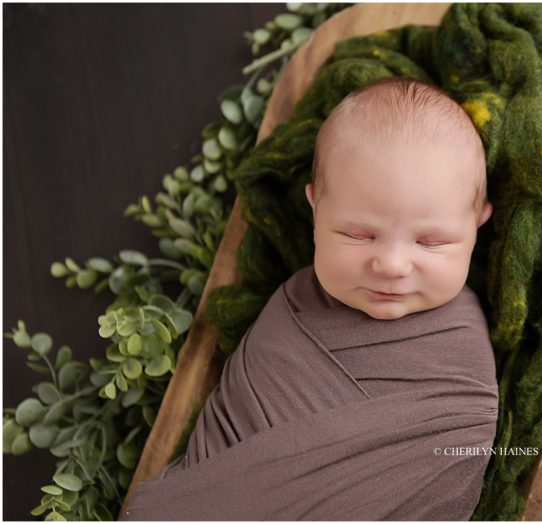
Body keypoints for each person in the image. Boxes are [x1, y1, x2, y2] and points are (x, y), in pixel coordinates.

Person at [121, 77, 499, 520]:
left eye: (432, 242)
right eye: (359, 235)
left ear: (477, 224)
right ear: (316, 209)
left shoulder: (462, 351)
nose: (393, 264)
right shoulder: (295, 308)